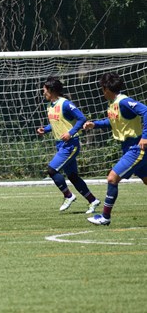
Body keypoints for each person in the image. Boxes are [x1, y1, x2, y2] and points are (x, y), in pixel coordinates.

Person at [82, 72, 147, 226]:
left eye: (102, 89)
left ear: (106, 88)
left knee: (112, 178)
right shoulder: (113, 104)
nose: (102, 92)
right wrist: (95, 124)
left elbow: (146, 111)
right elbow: (112, 122)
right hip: (128, 147)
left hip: (136, 147)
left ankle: (105, 217)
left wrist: (145, 136)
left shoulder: (124, 101)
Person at [37, 76, 100, 213]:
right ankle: (92, 200)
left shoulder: (65, 104)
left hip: (70, 144)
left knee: (52, 170)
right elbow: (56, 123)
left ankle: (68, 195)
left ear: (51, 90)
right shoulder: (50, 106)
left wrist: (70, 133)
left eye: (44, 90)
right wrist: (45, 129)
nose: (43, 93)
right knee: (72, 176)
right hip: (61, 144)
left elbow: (82, 118)